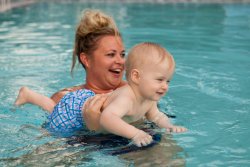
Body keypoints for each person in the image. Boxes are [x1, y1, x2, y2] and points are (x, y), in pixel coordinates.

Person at [15, 42, 187, 147]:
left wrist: (168, 126)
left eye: (168, 81)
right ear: (136, 76)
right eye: (160, 80)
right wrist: (135, 134)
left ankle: (30, 95)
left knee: (54, 109)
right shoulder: (126, 98)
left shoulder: (149, 98)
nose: (165, 86)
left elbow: (156, 116)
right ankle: (30, 96)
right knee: (55, 128)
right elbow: (107, 119)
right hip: (77, 109)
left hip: (89, 105)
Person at [15, 9, 126, 131]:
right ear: (86, 60)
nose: (120, 61)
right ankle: (29, 95)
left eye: (122, 54)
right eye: (111, 54)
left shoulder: (131, 90)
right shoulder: (66, 99)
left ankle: (30, 95)